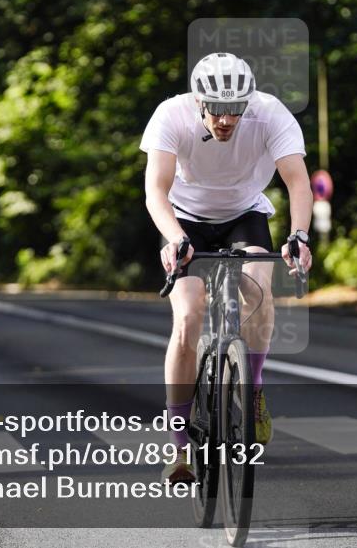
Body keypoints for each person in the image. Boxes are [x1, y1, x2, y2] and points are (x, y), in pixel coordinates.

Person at [140, 52, 313, 484]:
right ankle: (179, 448)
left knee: (259, 291)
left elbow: (297, 181)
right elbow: (156, 190)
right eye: (216, 109)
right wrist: (175, 238)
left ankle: (252, 390)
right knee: (188, 317)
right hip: (184, 221)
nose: (225, 120)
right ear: (198, 102)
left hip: (244, 215)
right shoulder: (171, 115)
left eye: (234, 109)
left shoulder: (270, 113)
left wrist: (299, 236)